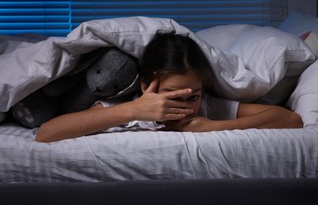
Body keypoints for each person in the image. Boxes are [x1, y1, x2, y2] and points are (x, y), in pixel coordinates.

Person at [35, 33, 302, 142]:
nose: (185, 108)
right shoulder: (122, 110)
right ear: (145, 85)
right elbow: (46, 133)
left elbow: (290, 119)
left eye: (192, 97)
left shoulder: (206, 108)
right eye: (172, 96)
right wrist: (134, 111)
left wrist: (212, 126)